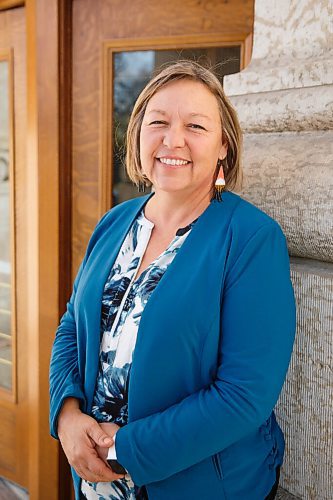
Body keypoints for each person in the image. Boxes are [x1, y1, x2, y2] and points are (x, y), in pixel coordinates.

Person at [49, 60, 296, 500]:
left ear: (224, 146)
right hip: (94, 481)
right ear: (139, 134)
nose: (172, 139)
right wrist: (66, 415)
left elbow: (244, 395)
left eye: (196, 126)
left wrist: (122, 449)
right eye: (158, 121)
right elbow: (73, 325)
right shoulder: (114, 223)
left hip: (201, 486)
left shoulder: (252, 239)